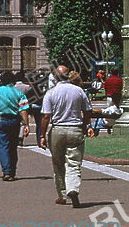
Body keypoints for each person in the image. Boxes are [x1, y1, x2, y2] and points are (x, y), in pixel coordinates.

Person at [40, 65, 95, 207]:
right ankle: (73, 188)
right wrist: (85, 124)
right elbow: (88, 110)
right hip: (75, 129)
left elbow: (46, 116)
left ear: (56, 77)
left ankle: (62, 194)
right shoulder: (79, 91)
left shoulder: (51, 93)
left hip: (57, 129)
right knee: (74, 163)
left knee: (58, 163)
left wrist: (42, 135)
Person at [0, 71, 30, 181]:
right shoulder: (18, 93)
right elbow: (23, 110)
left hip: (2, 120)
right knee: (13, 147)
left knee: (3, 146)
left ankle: (6, 171)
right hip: (15, 120)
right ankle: (12, 171)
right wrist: (26, 124)